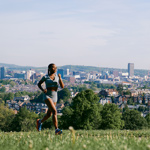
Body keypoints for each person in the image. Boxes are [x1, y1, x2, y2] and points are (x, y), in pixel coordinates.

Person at [36, 63, 64, 135]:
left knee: (49, 114)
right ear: (49, 69)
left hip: (55, 96)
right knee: (55, 111)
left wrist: (60, 78)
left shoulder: (57, 77)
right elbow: (39, 84)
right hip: (47, 96)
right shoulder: (45, 77)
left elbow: (62, 86)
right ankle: (56, 129)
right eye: (53, 68)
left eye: (56, 68)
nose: (55, 69)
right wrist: (43, 89)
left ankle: (40, 122)